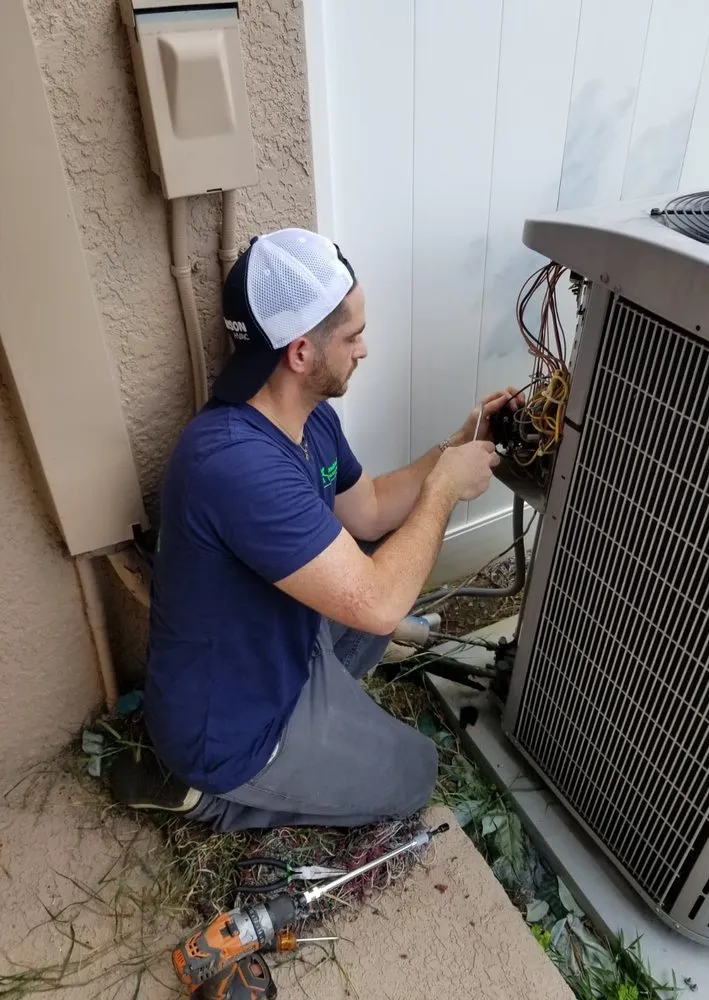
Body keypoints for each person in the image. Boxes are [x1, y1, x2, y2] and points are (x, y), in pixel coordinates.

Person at [113, 228, 521, 833]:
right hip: (234, 726)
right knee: (416, 774)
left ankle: (328, 705)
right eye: (353, 336)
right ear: (300, 352)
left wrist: (456, 447)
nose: (364, 349)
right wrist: (443, 489)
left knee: (390, 543)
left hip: (280, 646)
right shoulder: (235, 463)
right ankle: (202, 793)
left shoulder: (308, 417)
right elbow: (379, 604)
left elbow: (373, 510)